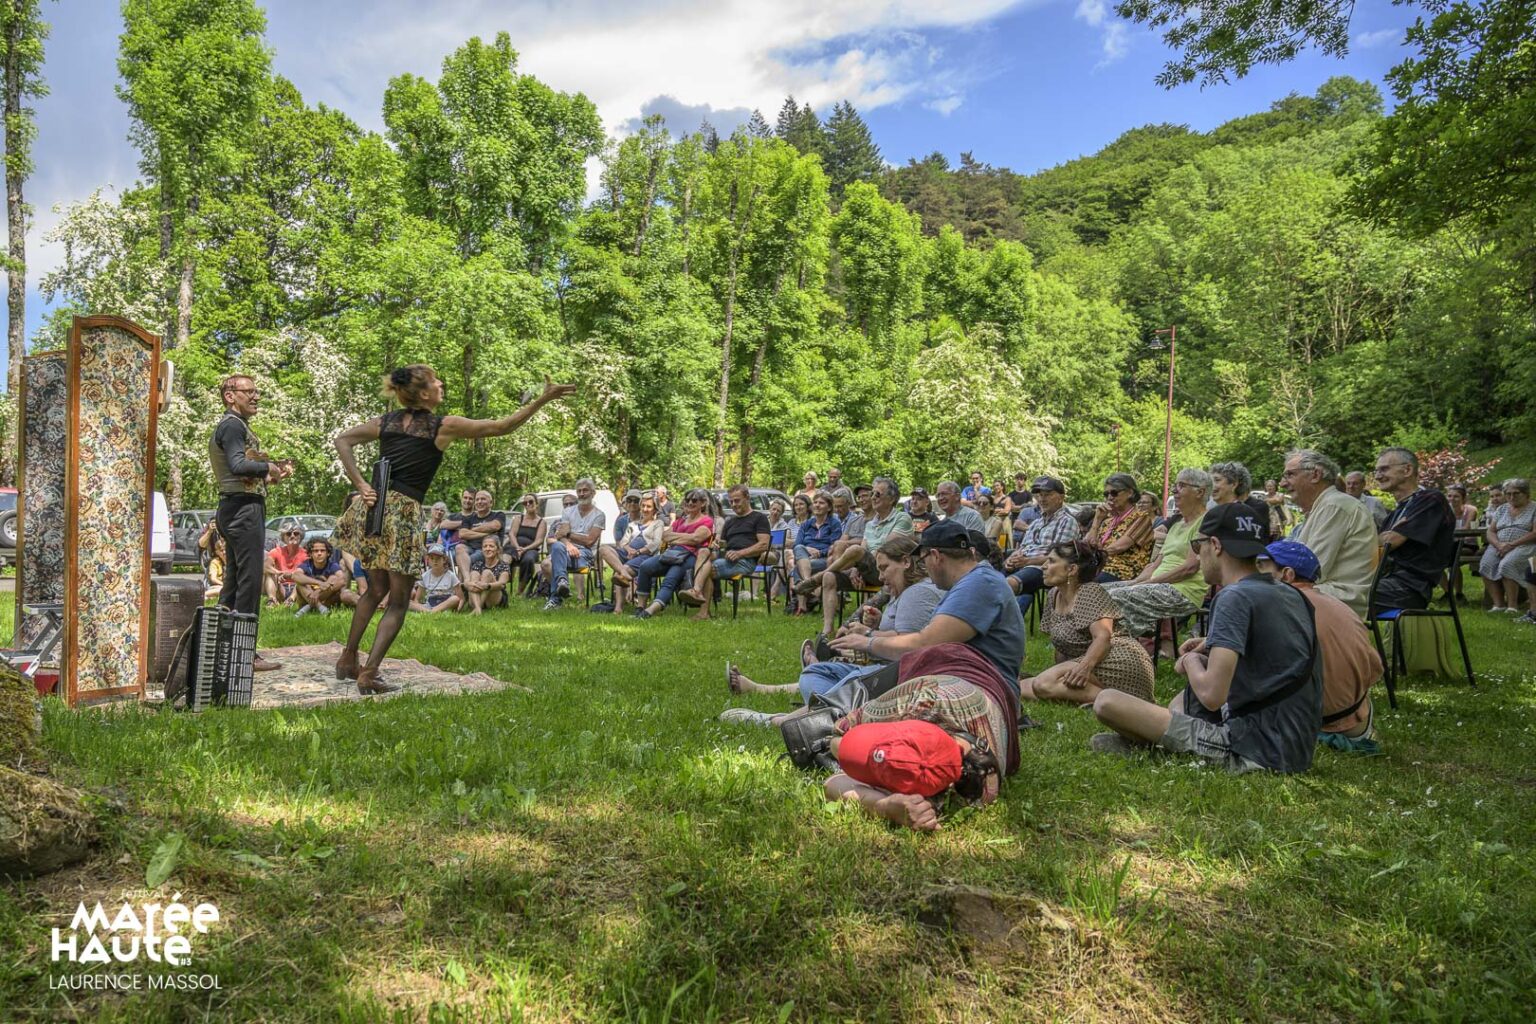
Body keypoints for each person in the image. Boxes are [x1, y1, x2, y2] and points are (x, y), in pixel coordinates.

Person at [333, 366, 574, 692]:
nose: (441, 383)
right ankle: (370, 673)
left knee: (375, 590)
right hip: (402, 513)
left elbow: (343, 440)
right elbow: (502, 426)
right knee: (398, 601)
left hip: (374, 511)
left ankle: (348, 659)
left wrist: (361, 484)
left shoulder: (386, 422)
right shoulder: (442, 426)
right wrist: (543, 399)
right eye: (435, 381)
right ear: (424, 394)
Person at [1089, 503, 1322, 773]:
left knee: (1107, 701)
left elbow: (1212, 695)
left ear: (1215, 545)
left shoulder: (1234, 596)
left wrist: (1189, 660)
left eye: (1197, 547)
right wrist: (1208, 647)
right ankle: (1155, 746)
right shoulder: (1291, 594)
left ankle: (1158, 747)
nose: (1198, 558)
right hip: (1293, 746)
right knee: (1183, 700)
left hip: (1254, 750)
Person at [726, 534, 942, 704]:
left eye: (884, 568)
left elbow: (909, 647)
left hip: (892, 676)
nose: (881, 577)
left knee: (822, 678)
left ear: (906, 562)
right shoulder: (904, 591)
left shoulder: (917, 592)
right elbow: (905, 632)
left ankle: (824, 707)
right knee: (814, 674)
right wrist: (877, 623)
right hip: (883, 668)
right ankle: (825, 696)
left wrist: (867, 635)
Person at [830, 520, 1026, 692]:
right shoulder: (974, 581)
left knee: (847, 691)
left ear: (935, 555)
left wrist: (867, 641)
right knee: (840, 684)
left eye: (923, 560)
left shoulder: (978, 583)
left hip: (980, 689)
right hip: (966, 682)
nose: (924, 567)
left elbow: (924, 645)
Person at [1257, 540, 1383, 755]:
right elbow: (1375, 668)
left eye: (1260, 567)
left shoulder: (1274, 607)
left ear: (1287, 574)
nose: (1252, 574)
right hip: (1357, 724)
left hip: (1302, 725)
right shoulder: (1341, 607)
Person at [210, 374, 294, 671]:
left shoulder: (234, 425)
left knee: (234, 582)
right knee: (249, 581)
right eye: (249, 391)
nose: (256, 396)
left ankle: (220, 649)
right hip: (243, 511)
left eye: (257, 392)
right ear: (230, 395)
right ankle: (245, 654)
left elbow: (239, 470)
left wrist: (267, 476)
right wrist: (268, 465)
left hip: (236, 507)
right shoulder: (233, 425)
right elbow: (237, 464)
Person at [1023, 541, 1155, 704]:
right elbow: (1061, 646)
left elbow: (1103, 637)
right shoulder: (1054, 595)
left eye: (1051, 561)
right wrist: (1059, 672)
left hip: (1117, 660)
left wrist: (1083, 667)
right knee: (1023, 687)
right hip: (1089, 662)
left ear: (1072, 569)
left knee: (1043, 684)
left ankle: (1119, 702)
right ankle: (1091, 699)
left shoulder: (1089, 591)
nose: (1043, 566)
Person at [1101, 468, 1216, 652]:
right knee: (1098, 592)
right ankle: (1116, 648)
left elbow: (1189, 568)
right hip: (1159, 584)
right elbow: (1155, 564)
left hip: (1183, 591)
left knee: (1115, 597)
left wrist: (1147, 583)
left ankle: (1121, 651)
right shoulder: (1177, 525)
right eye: (1175, 485)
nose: (1174, 490)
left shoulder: (1206, 522)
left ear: (1200, 492)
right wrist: (1134, 582)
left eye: (1181, 485)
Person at [799, 477, 913, 633]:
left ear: (892, 498)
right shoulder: (871, 524)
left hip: (888, 571)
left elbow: (885, 551)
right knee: (830, 577)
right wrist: (855, 569)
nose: (873, 497)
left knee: (855, 550)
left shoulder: (902, 518)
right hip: (867, 570)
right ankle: (827, 629)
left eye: (877, 494)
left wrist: (859, 563)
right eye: (872, 494)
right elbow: (864, 547)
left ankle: (816, 578)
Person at [1286, 449, 1377, 618]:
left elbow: (1310, 571)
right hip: (1322, 594)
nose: (1283, 483)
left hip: (1338, 600)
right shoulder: (1325, 506)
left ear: (1315, 475)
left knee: (1253, 596)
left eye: (1290, 475)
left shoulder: (1335, 505)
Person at [1373, 447, 1456, 613]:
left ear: (1407, 470)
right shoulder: (1395, 513)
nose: (1377, 476)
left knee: (1336, 597)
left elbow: (1389, 543)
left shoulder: (1431, 500)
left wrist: (1385, 538)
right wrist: (1382, 538)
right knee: (1328, 592)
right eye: (1376, 471)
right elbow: (1376, 547)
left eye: (1384, 469)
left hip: (1409, 588)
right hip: (1385, 581)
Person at [679, 484, 771, 619]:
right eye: (731, 501)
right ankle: (697, 595)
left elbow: (763, 545)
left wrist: (740, 553)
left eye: (737, 501)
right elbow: (723, 544)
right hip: (727, 559)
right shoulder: (730, 521)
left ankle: (700, 604)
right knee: (703, 552)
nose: (733, 505)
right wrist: (717, 544)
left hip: (746, 561)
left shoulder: (759, 518)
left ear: (747, 498)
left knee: (706, 570)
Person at [631, 488, 715, 619]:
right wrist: (687, 537)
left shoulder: (706, 521)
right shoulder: (680, 521)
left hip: (689, 556)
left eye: (694, 500)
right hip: (672, 554)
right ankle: (640, 607)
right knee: (645, 566)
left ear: (703, 503)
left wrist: (676, 537)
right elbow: (665, 536)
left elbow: (696, 539)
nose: (690, 503)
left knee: (671, 577)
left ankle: (650, 611)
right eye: (687, 500)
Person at [1003, 475, 1080, 613]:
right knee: (988, 580)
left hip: (1044, 567)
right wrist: (1011, 558)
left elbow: (1061, 558)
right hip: (1023, 564)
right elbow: (1023, 548)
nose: (1042, 499)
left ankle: (1006, 623)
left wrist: (1027, 561)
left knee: (1007, 585)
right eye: (1040, 495)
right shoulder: (1036, 523)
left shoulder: (1067, 521)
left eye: (1048, 495)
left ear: (1061, 497)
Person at [540, 478, 605, 610]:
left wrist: (569, 535)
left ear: (593, 493)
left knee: (554, 558)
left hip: (585, 554)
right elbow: (560, 536)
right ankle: (562, 581)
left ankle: (555, 599)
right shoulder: (567, 512)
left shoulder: (599, 515)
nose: (581, 494)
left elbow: (589, 541)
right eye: (579, 491)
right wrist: (569, 545)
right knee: (553, 552)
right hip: (565, 550)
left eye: (585, 490)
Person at [1477, 477, 1536, 613]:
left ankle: (1512, 606)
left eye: (1516, 493)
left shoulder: (1534, 508)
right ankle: (1498, 604)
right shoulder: (1502, 509)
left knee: (1507, 564)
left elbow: (1535, 533)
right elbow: (1491, 531)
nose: (1511, 497)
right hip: (1499, 546)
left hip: (1526, 546)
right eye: (1508, 494)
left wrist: (1511, 545)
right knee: (1486, 564)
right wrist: (1498, 545)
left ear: (1526, 494)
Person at [1088, 472, 1154, 583]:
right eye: (1106, 494)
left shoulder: (1141, 518)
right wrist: (1097, 520)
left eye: (1114, 493)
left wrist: (1095, 554)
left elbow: (1118, 547)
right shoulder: (1108, 521)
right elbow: (1089, 545)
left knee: (1085, 582)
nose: (1110, 497)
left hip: (1123, 572)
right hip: (1101, 568)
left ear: (1130, 493)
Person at [611, 495, 665, 614]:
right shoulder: (633, 524)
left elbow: (656, 544)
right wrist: (629, 549)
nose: (645, 509)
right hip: (628, 553)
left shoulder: (658, 523)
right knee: (604, 549)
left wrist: (638, 552)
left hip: (645, 556)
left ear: (655, 509)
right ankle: (624, 573)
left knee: (619, 572)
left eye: (648, 507)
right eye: (643, 506)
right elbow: (623, 542)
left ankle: (618, 608)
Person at [792, 492, 842, 616]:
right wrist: (807, 549)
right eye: (815, 502)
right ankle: (808, 582)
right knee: (799, 548)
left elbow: (834, 545)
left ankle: (802, 606)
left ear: (829, 508)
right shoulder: (806, 524)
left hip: (825, 559)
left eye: (821, 503)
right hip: (805, 556)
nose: (817, 505)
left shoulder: (834, 523)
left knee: (797, 568)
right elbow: (797, 543)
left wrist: (820, 553)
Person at [448, 489, 505, 583]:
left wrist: (470, 530)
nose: (479, 502)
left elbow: (495, 526)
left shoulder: (498, 515)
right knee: (459, 547)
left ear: (491, 503)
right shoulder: (469, 517)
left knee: (465, 561)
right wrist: (487, 533)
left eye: (483, 499)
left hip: (487, 549)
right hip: (470, 547)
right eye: (477, 499)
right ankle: (467, 580)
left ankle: (462, 586)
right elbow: (462, 534)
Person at [290, 537, 347, 616]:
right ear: (310, 554)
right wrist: (320, 583)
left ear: (328, 553)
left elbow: (342, 580)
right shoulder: (306, 564)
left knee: (333, 578)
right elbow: (295, 575)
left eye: (322, 550)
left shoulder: (332, 565)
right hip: (308, 597)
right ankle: (319, 606)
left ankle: (310, 606)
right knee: (300, 584)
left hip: (325, 599)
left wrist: (318, 591)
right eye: (315, 551)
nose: (319, 553)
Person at [505, 494, 548, 596]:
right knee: (505, 558)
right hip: (514, 546)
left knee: (528, 560)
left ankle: (520, 591)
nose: (528, 504)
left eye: (531, 501)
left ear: (537, 504)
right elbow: (512, 534)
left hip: (531, 549)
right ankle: (501, 586)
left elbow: (539, 540)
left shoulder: (542, 522)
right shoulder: (518, 518)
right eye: (525, 503)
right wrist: (517, 548)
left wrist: (525, 549)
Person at [1446, 484, 1478, 603]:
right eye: (1449, 496)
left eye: (1456, 496)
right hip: (1448, 545)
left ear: (1463, 498)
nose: (1452, 499)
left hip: (1467, 545)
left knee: (1451, 559)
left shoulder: (1471, 510)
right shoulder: (1444, 511)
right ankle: (1447, 592)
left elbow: (1466, 528)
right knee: (1433, 560)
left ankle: (1458, 593)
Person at [263, 523, 308, 608]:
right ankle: (272, 600)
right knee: (270, 573)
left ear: (301, 536)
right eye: (288, 534)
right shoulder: (276, 551)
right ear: (283, 537)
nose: (292, 536)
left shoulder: (306, 554)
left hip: (297, 588)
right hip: (280, 586)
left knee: (304, 575)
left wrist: (291, 575)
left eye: (296, 533)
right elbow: (265, 566)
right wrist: (278, 573)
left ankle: (291, 600)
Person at [463, 534, 511, 614]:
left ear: (498, 550)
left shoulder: (503, 565)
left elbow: (502, 584)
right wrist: (468, 584)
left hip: (494, 599)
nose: (487, 549)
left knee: (487, 573)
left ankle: (478, 608)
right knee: (474, 574)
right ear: (482, 550)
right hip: (476, 597)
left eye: (491, 546)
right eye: (485, 546)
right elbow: (467, 583)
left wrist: (487, 586)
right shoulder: (477, 564)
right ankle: (478, 608)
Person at [410, 543, 463, 613]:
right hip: (429, 605)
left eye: (438, 558)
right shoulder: (425, 576)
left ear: (444, 560)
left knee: (455, 598)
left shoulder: (451, 575)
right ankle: (431, 611)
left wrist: (458, 610)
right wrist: (417, 606)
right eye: (432, 558)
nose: (435, 561)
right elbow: (417, 599)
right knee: (409, 603)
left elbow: (461, 598)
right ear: (428, 560)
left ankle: (431, 612)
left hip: (445, 606)